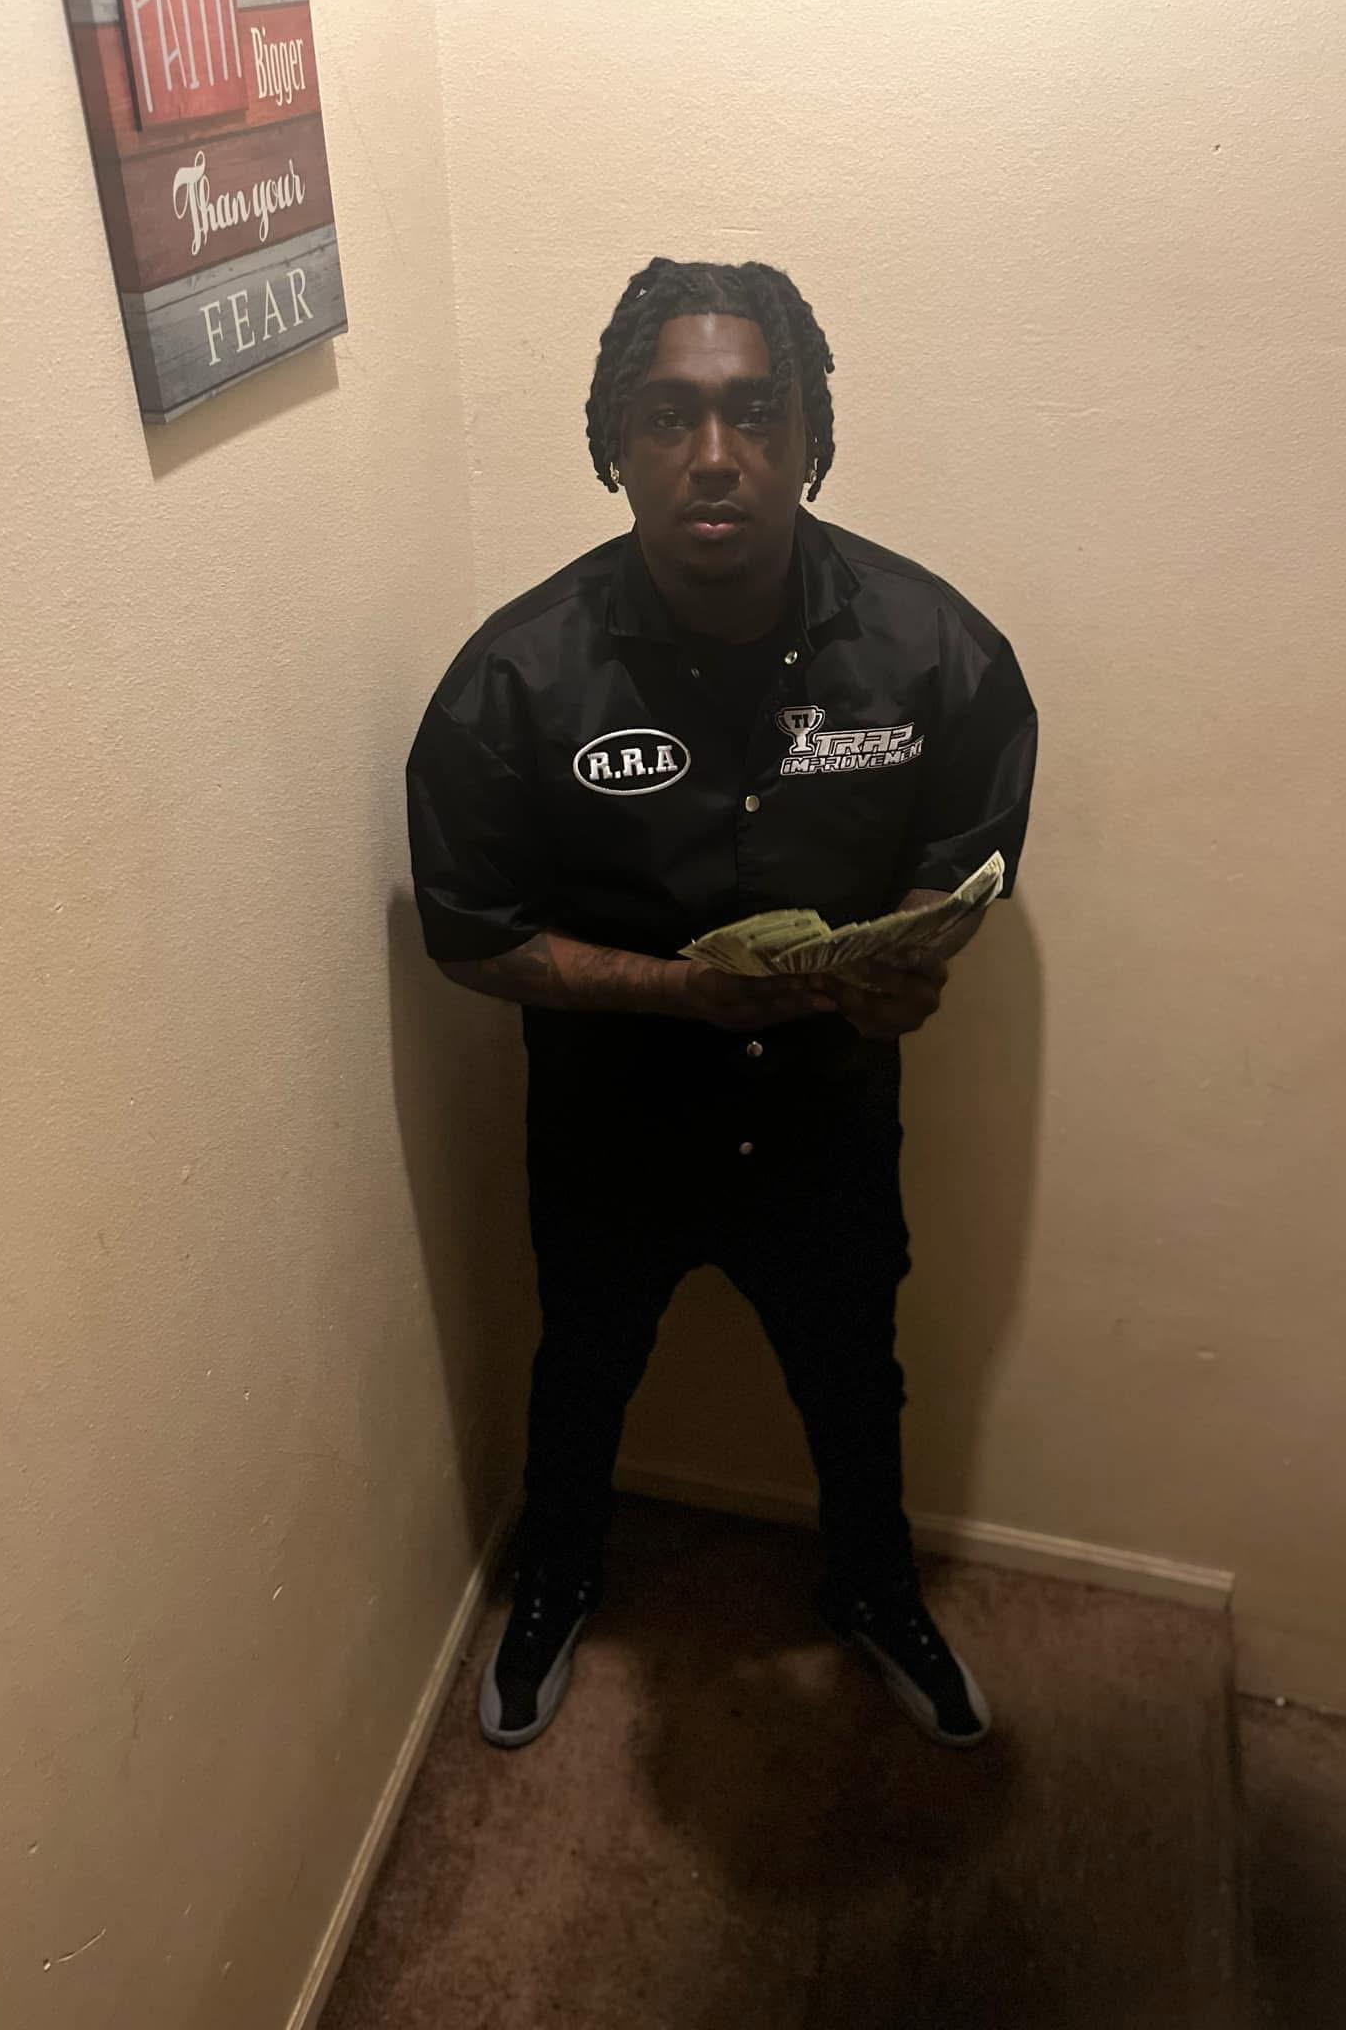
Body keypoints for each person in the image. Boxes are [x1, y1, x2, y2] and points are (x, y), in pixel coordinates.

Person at [406, 257, 1037, 1752]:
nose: (713, 454)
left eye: (756, 414)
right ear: (611, 442)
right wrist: (682, 996)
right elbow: (469, 935)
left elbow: (969, 864)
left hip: (826, 1120)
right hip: (610, 1124)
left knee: (856, 1378)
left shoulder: (937, 649)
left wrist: (908, 966)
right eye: (669, 416)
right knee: (582, 1366)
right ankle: (557, 1581)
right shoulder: (513, 680)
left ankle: (874, 1587)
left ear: (810, 435)